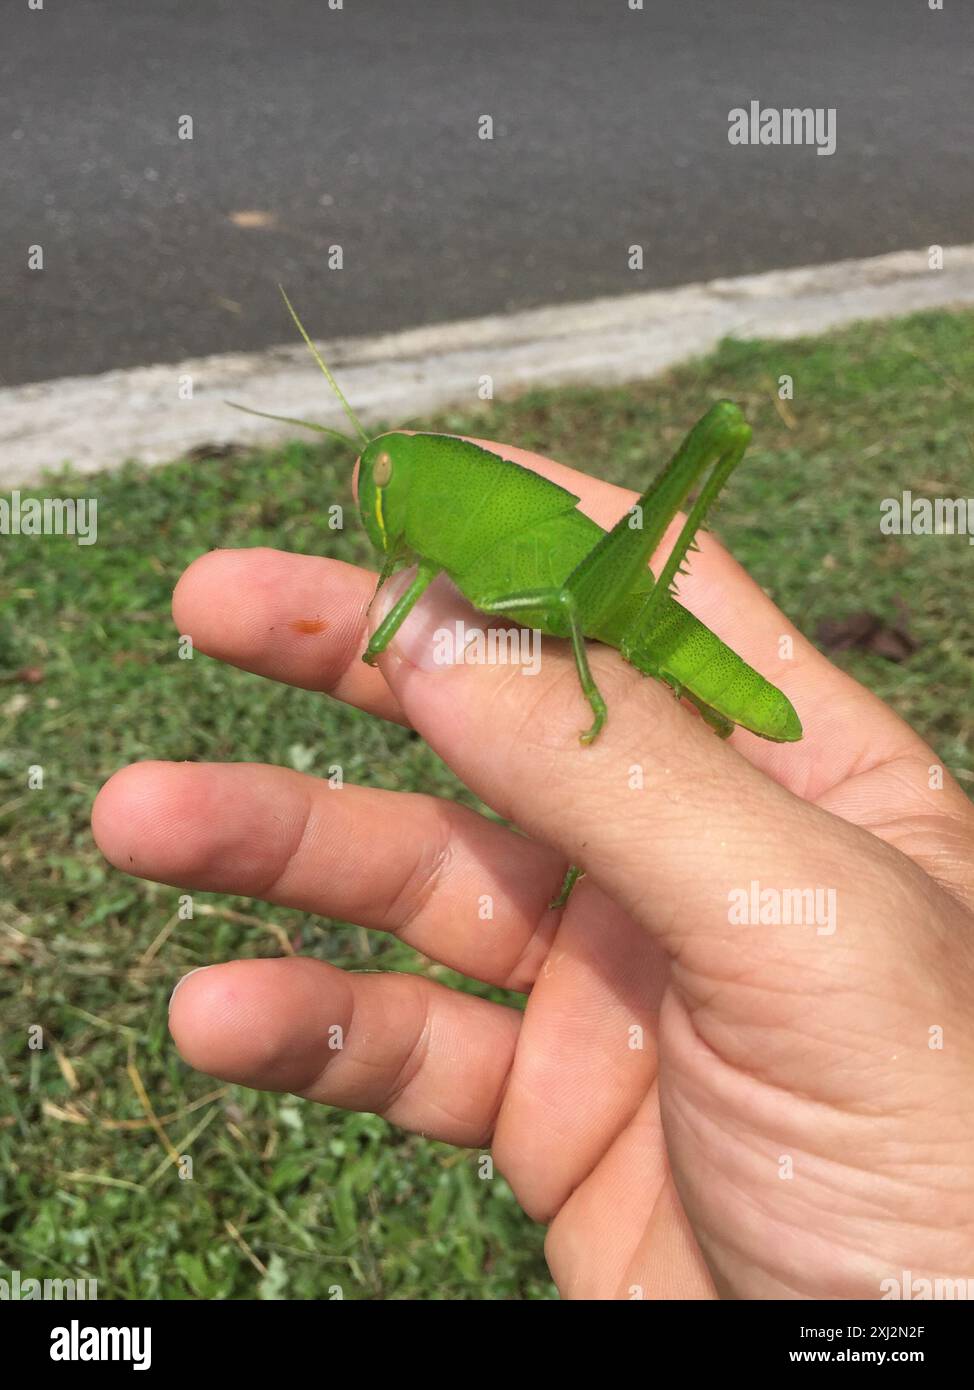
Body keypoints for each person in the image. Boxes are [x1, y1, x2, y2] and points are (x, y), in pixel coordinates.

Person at [92, 438, 974, 1300]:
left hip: (594, 598)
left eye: (387, 480)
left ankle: (628, 633)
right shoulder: (442, 515)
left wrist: (590, 694)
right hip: (583, 592)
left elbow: (490, 605)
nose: (375, 496)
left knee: (692, 460)